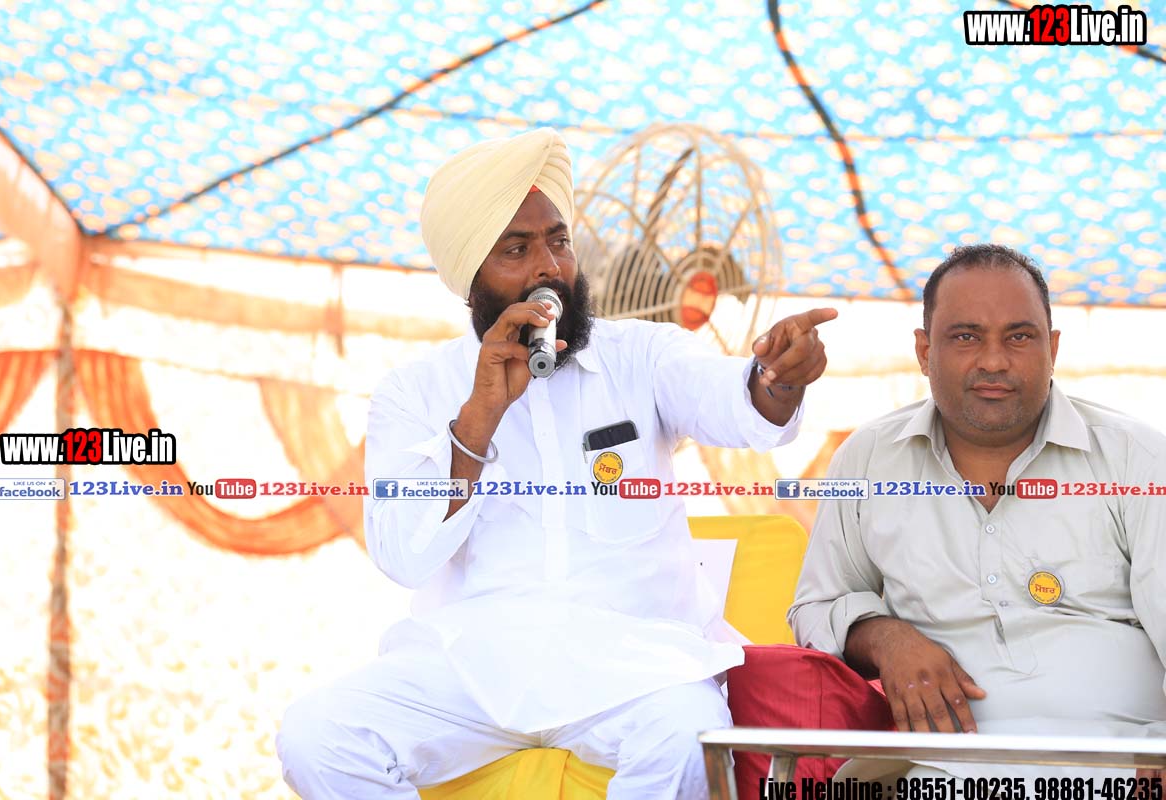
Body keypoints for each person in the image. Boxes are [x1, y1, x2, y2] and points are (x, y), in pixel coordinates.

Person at [274, 127, 837, 799]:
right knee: (316, 736)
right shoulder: (414, 391)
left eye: (558, 241)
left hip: (632, 667)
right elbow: (402, 555)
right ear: (472, 281)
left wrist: (777, 379)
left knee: (686, 733)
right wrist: (477, 420)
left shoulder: (643, 355)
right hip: (472, 669)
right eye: (517, 249)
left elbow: (737, 402)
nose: (549, 267)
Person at [789, 244, 1166, 785]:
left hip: (1124, 762)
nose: (994, 361)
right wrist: (883, 636)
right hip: (938, 771)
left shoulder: (1136, 458)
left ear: (1053, 348)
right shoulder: (870, 459)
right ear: (924, 351)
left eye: (1019, 336)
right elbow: (817, 604)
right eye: (966, 337)